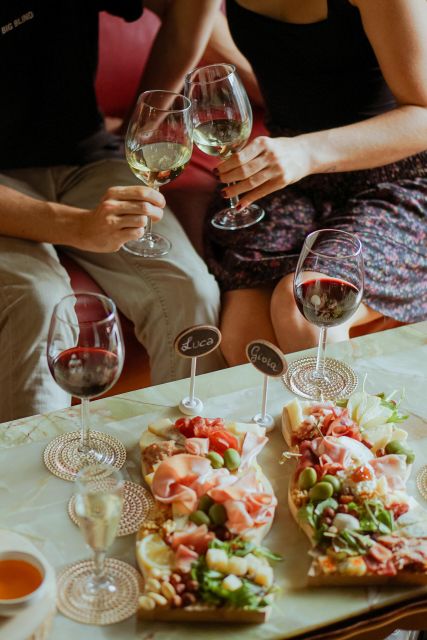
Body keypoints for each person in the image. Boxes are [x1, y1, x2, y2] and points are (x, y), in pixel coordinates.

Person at [0, 0, 228, 422]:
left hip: (88, 158)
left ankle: (187, 470)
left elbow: (189, 10)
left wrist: (144, 122)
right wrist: (77, 227)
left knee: (190, 291)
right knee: (40, 304)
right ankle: (32, 485)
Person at [201, 0, 427, 366]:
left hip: (400, 177)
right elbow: (190, 22)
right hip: (293, 177)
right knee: (245, 337)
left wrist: (304, 153)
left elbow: (424, 114)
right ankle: (296, 425)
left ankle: (345, 424)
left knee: (307, 308)